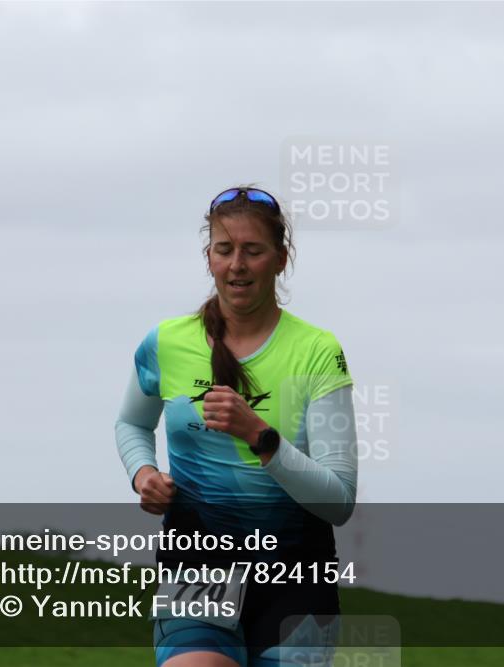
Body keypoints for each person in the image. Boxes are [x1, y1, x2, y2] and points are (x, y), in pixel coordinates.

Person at [115, 185, 359, 667]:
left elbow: (339, 501)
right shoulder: (165, 342)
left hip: (295, 577)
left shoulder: (317, 351)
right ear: (209, 257)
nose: (237, 265)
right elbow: (131, 424)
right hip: (198, 565)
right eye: (225, 250)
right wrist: (143, 474)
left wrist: (259, 436)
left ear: (280, 259)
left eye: (253, 251)